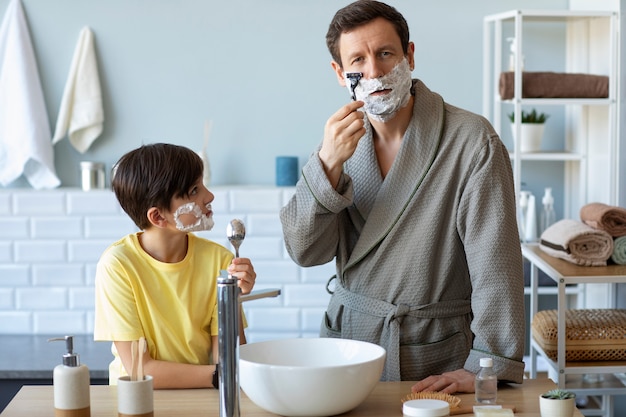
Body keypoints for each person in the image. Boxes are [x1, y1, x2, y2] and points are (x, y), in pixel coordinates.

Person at [280, 0, 525, 394]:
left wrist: (486, 366)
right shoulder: (340, 145)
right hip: (347, 349)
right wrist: (326, 164)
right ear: (340, 74)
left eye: (385, 54)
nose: (374, 71)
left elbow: (497, 268)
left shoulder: (471, 141)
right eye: (358, 60)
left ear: (409, 55)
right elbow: (305, 252)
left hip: (434, 357)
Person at [94, 143, 256, 389]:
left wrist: (232, 299)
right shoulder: (118, 265)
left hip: (204, 397)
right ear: (158, 217)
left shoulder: (220, 260)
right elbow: (140, 369)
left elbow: (229, 359)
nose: (209, 196)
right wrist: (219, 376)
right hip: (136, 401)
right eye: (194, 190)